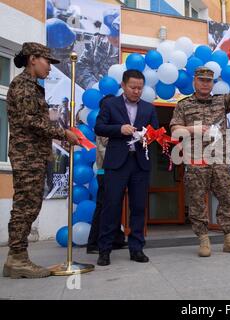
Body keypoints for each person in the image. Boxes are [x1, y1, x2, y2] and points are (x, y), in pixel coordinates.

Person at [3, 42, 80, 279]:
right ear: (33, 59)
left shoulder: (33, 87)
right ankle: (17, 258)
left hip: (34, 154)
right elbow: (31, 122)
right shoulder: (23, 86)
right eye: (47, 62)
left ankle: (18, 257)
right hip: (26, 156)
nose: (50, 68)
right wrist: (63, 133)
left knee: (30, 205)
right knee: (25, 207)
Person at [169, 60, 230, 258]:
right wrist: (192, 129)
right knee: (197, 202)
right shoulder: (184, 105)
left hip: (220, 160)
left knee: (226, 200)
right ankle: (203, 239)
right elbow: (174, 132)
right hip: (196, 162)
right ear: (195, 81)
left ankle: (229, 239)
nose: (206, 84)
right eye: (202, 80)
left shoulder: (221, 101)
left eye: (209, 81)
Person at [94, 69, 159, 266]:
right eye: (133, 87)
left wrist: (146, 136)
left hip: (140, 163)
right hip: (116, 164)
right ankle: (104, 250)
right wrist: (119, 129)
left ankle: (136, 248)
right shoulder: (110, 104)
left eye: (140, 88)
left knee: (138, 207)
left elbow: (155, 133)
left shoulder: (149, 108)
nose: (136, 91)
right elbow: (99, 127)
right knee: (111, 206)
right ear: (123, 85)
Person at [86, 94, 127, 254]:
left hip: (115, 170)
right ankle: (93, 243)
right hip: (106, 170)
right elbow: (111, 144)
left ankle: (116, 238)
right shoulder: (104, 124)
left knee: (114, 205)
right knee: (104, 206)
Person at [76, 9, 120, 89]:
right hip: (91, 90)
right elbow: (81, 65)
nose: (115, 39)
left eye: (118, 35)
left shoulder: (126, 52)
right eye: (111, 35)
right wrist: (91, 84)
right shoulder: (97, 40)